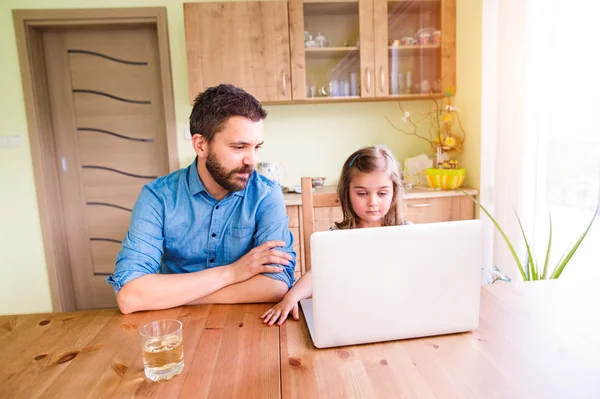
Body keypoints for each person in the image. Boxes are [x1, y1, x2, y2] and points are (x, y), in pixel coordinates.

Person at [107, 84, 296, 314]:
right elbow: (131, 295)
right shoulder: (158, 197)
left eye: (256, 147)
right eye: (239, 147)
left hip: (244, 324)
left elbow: (275, 285)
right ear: (201, 145)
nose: (251, 160)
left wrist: (175, 295)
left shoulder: (266, 194)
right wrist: (231, 273)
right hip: (175, 328)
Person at [261, 145, 411, 326]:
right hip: (351, 315)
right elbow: (316, 275)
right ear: (347, 193)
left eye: (382, 193)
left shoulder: (408, 233)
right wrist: (290, 298)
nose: (373, 202)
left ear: (394, 192)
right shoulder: (337, 236)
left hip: (395, 313)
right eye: (362, 193)